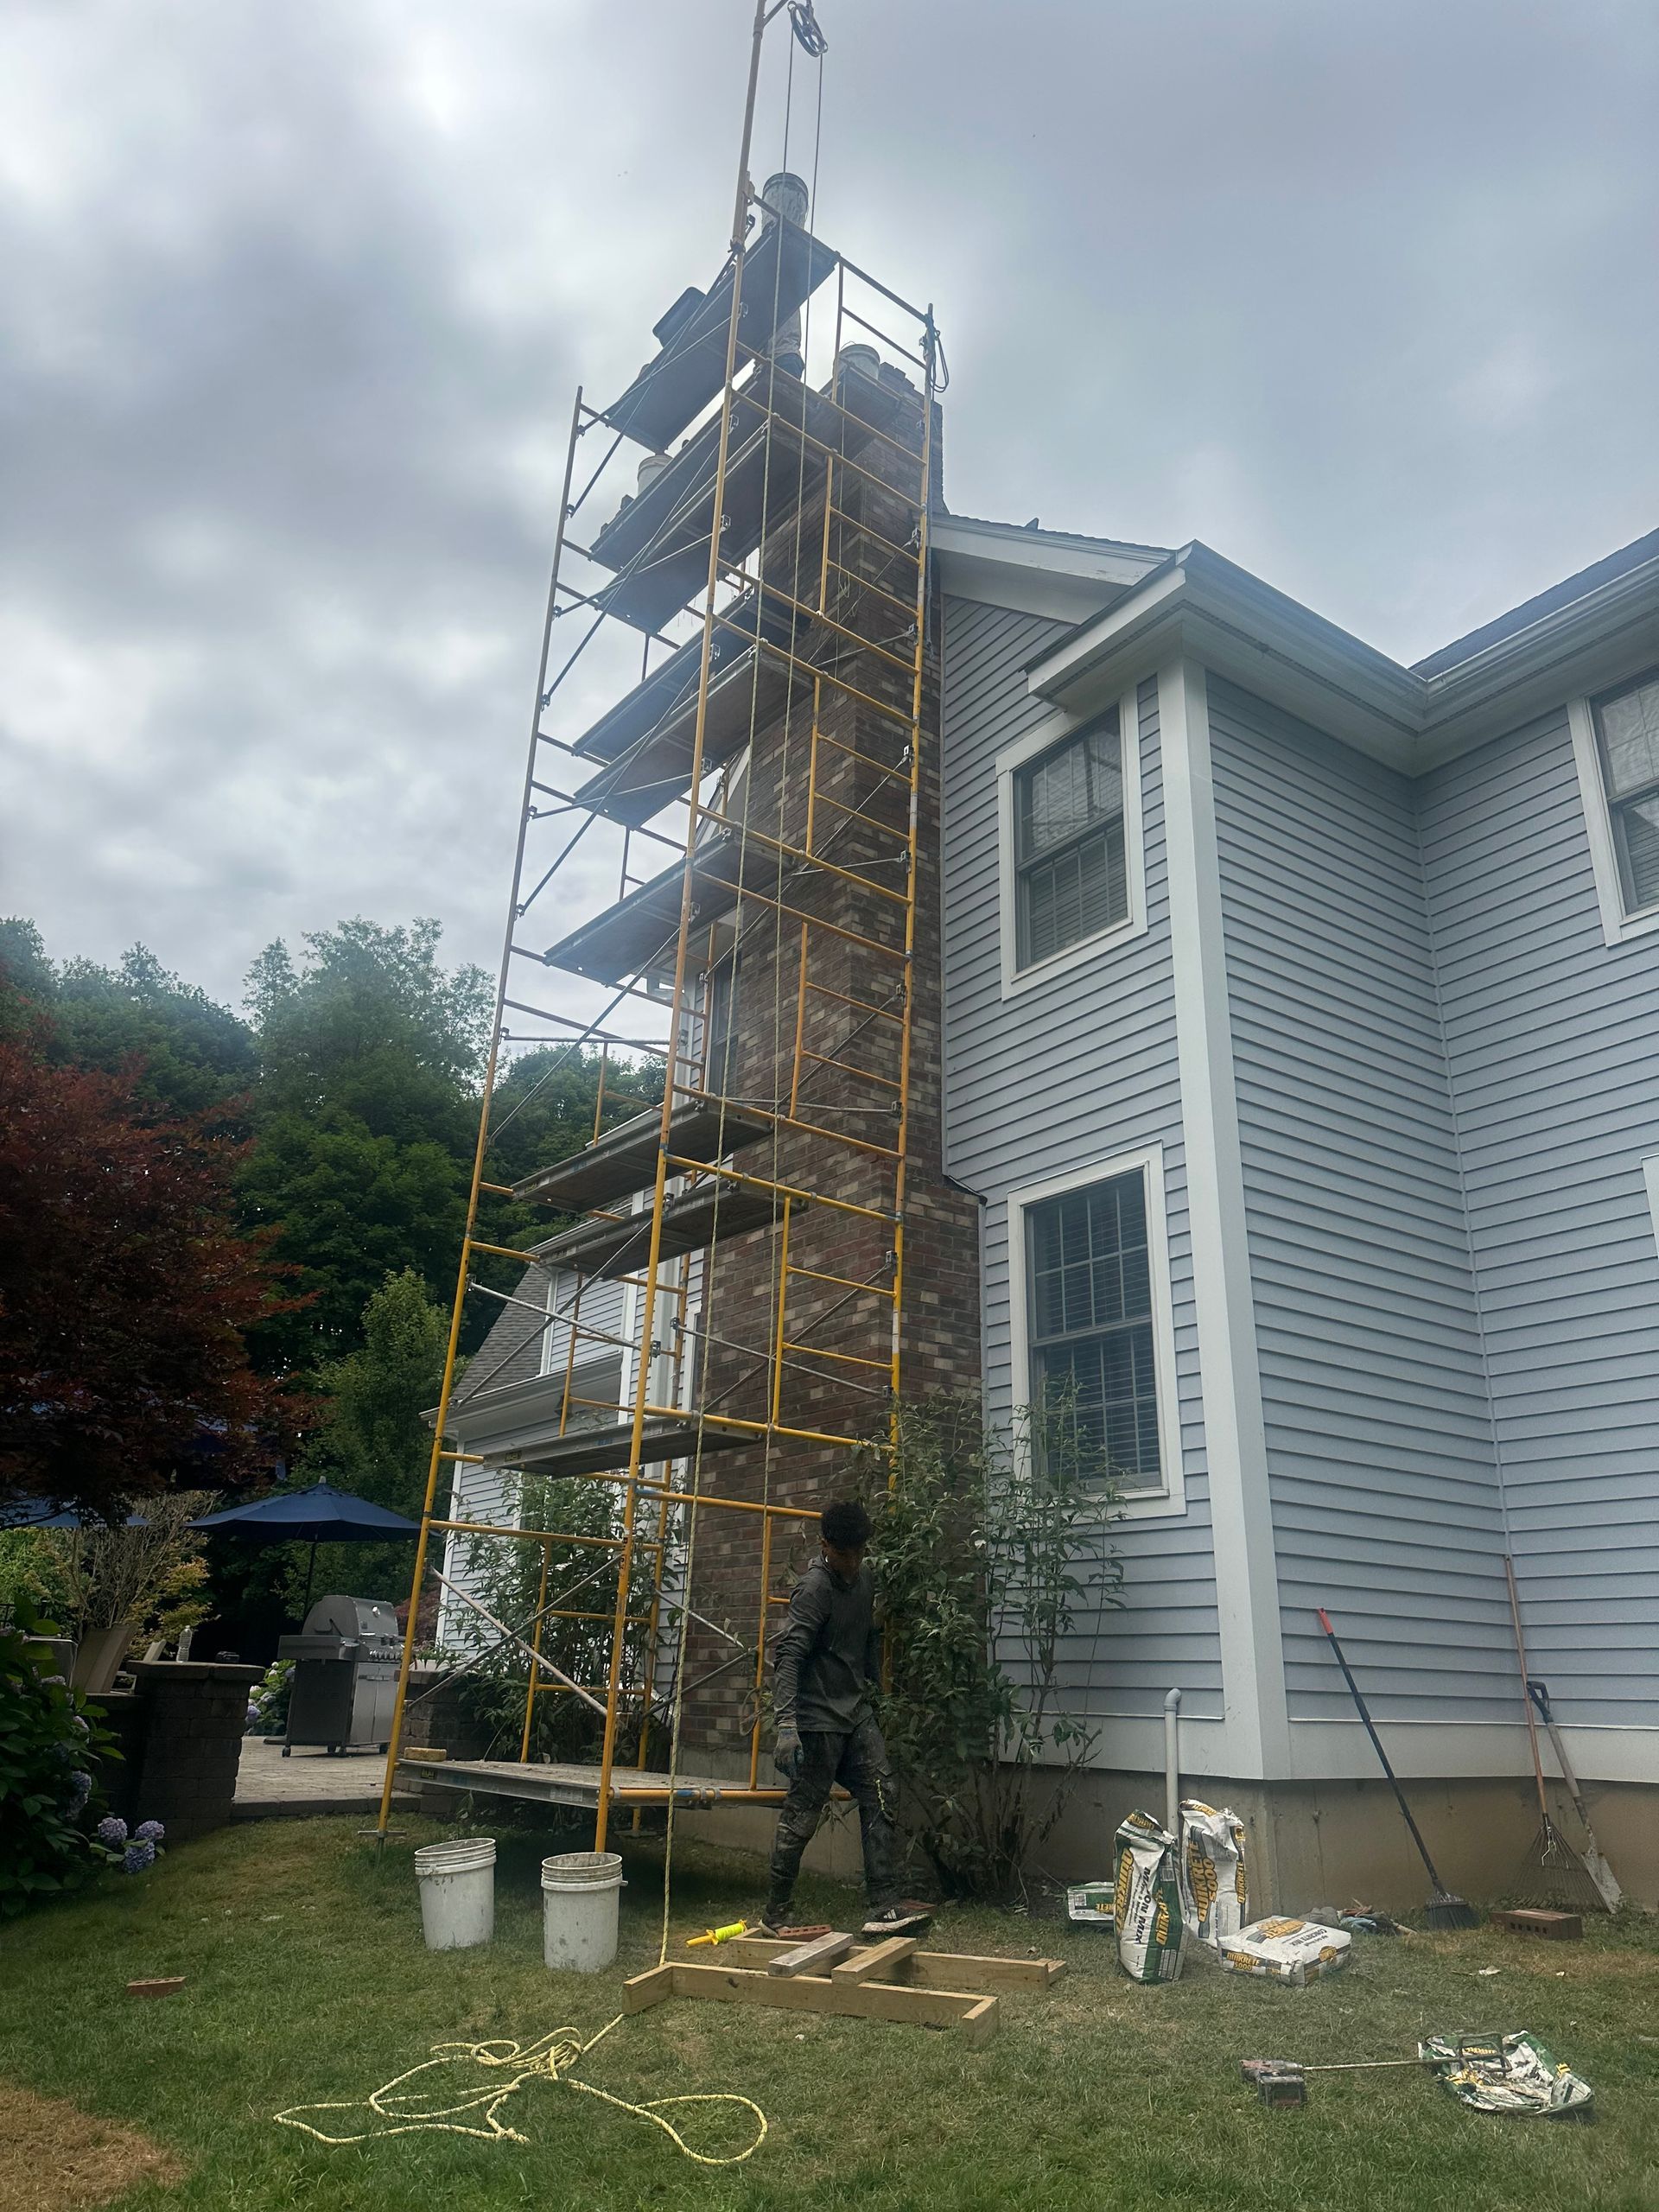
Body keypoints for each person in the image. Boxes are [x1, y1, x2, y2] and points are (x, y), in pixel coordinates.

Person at [761, 1497, 921, 1935]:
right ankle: (776, 1913)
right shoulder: (814, 1590)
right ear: (825, 1546)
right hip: (816, 1720)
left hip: (855, 1713)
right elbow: (789, 1657)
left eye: (859, 1553)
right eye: (843, 1554)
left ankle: (884, 1906)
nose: (852, 1563)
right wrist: (787, 1725)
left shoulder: (865, 1578)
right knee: (803, 1813)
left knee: (882, 1792)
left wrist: (875, 1688)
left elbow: (866, 1637)